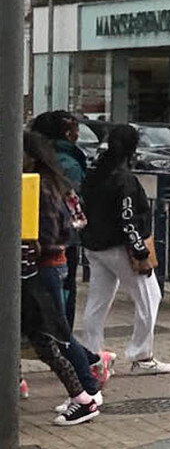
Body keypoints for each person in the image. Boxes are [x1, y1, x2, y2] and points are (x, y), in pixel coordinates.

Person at [22, 132, 104, 425]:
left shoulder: (40, 186)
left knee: (56, 334)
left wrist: (39, 244)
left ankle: (87, 391)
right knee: (51, 333)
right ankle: (86, 388)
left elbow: (52, 231)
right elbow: (75, 222)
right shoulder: (52, 182)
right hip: (49, 264)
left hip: (43, 266)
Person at [77, 124, 170, 375]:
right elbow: (128, 218)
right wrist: (139, 249)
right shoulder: (125, 179)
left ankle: (91, 353)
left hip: (95, 246)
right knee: (150, 297)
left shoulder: (94, 174)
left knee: (98, 301)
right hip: (120, 249)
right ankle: (141, 355)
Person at [32, 112, 87, 324]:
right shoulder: (66, 163)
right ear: (67, 133)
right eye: (75, 131)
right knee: (63, 294)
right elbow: (70, 200)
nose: (78, 134)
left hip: (42, 237)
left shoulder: (36, 155)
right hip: (58, 240)